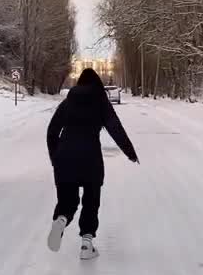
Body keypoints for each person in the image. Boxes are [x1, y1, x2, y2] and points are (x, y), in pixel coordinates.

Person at [46, 68, 138, 260]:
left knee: (67, 202)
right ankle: (86, 245)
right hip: (90, 159)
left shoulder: (68, 101)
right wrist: (130, 153)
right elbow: (115, 128)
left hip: (65, 158)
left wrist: (55, 158)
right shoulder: (100, 101)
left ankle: (61, 219)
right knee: (91, 201)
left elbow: (52, 131)